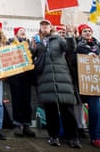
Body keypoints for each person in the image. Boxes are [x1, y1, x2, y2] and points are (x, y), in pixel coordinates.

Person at [31, 19, 82, 149]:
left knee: (67, 110)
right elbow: (30, 58)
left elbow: (71, 49)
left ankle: (73, 138)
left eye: (46, 25)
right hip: (45, 79)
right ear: (40, 28)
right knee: (50, 111)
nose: (44, 27)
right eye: (42, 25)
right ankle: (53, 137)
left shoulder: (59, 39)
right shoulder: (37, 42)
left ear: (51, 27)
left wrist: (70, 35)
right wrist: (31, 49)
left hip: (62, 78)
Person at [7, 26, 36, 137]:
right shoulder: (11, 43)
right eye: (20, 31)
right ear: (16, 34)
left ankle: (26, 124)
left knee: (27, 101)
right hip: (15, 76)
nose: (23, 32)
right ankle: (18, 124)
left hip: (27, 76)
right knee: (17, 100)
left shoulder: (29, 44)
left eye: (24, 31)